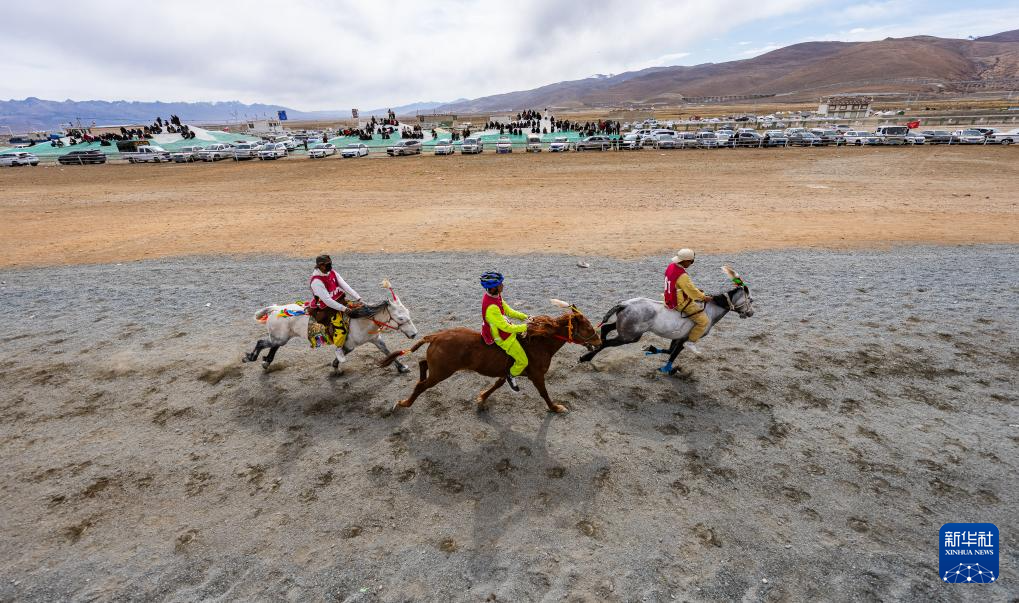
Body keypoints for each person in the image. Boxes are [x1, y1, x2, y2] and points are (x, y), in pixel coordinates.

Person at [307, 254, 364, 363]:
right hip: (327, 308)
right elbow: (327, 300)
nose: (330, 266)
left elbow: (345, 286)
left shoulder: (332, 272)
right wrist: (345, 309)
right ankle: (339, 349)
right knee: (340, 328)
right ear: (320, 266)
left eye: (330, 263)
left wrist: (358, 297)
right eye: (327, 264)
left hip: (339, 301)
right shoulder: (316, 281)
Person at [480, 272, 529, 392]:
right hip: (502, 337)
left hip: (503, 325)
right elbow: (506, 328)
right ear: (493, 288)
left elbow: (508, 311)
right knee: (523, 361)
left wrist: (526, 317)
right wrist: (525, 327)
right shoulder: (492, 308)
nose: (503, 286)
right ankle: (511, 376)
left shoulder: (496, 296)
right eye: (500, 284)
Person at [664, 248, 712, 355]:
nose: (691, 263)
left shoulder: (671, 266)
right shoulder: (682, 275)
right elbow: (691, 291)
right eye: (691, 261)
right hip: (679, 302)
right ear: (685, 261)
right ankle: (690, 342)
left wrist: (695, 291)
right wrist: (703, 297)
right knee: (703, 321)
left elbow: (681, 286)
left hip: (667, 297)